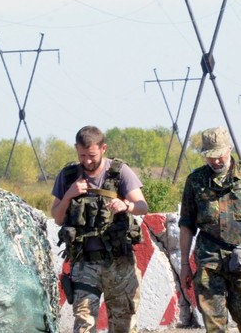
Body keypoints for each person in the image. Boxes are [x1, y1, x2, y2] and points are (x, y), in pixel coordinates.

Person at [179, 127, 241, 333]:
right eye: (210, 156)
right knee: (214, 324)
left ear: (230, 148)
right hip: (208, 260)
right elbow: (186, 224)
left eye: (219, 155)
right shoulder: (196, 180)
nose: (215, 161)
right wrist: (184, 264)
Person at [51, 125, 149, 333]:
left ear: (103, 148)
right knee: (84, 325)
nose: (87, 161)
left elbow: (143, 206)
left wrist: (126, 206)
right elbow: (58, 217)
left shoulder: (119, 172)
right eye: (82, 155)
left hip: (119, 264)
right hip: (84, 264)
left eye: (92, 155)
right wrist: (69, 194)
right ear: (76, 149)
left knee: (124, 324)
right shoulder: (68, 175)